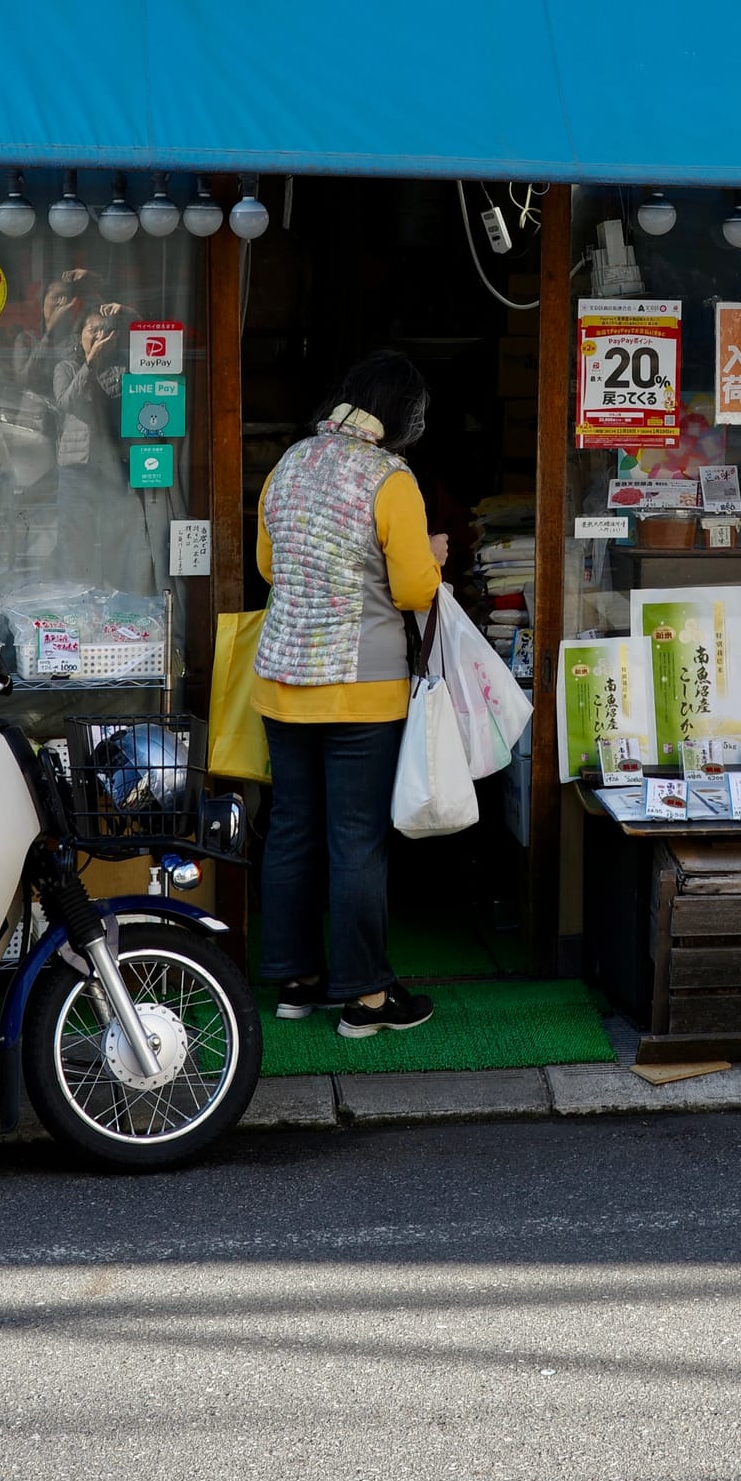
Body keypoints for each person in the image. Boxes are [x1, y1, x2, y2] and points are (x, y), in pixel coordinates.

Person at [251, 348, 447, 1037]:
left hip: (282, 681)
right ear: (401, 416)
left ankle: (295, 982)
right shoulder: (391, 479)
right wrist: (435, 555)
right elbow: (415, 589)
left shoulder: (289, 465)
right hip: (361, 689)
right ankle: (365, 998)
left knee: (291, 831)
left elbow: (268, 566)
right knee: (356, 838)